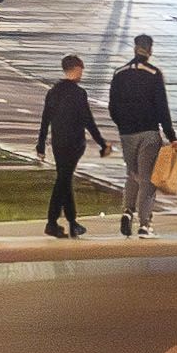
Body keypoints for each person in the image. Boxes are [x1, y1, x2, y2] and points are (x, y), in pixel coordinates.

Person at [108, 34, 176, 236]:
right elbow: (162, 108)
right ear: (150, 50)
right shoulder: (154, 74)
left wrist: (122, 125)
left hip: (127, 133)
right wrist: (171, 135)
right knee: (147, 178)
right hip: (148, 132)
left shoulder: (119, 73)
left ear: (135, 48)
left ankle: (128, 210)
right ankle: (144, 224)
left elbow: (113, 107)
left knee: (132, 173)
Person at [35, 55, 108, 238]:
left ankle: (71, 223)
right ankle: (53, 222)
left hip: (58, 143)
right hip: (74, 144)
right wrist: (101, 142)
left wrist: (41, 145)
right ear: (75, 69)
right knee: (63, 181)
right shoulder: (78, 93)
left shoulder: (53, 92)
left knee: (64, 180)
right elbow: (88, 121)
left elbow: (45, 120)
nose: (82, 74)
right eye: (81, 70)